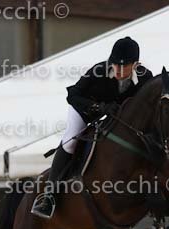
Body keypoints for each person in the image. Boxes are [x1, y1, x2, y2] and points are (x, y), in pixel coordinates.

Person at [32, 36, 154, 218]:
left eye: (124, 66)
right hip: (84, 110)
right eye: (116, 65)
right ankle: (49, 196)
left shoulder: (145, 77)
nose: (118, 70)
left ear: (136, 64)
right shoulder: (98, 71)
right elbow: (72, 95)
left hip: (115, 117)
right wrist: (99, 107)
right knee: (70, 142)